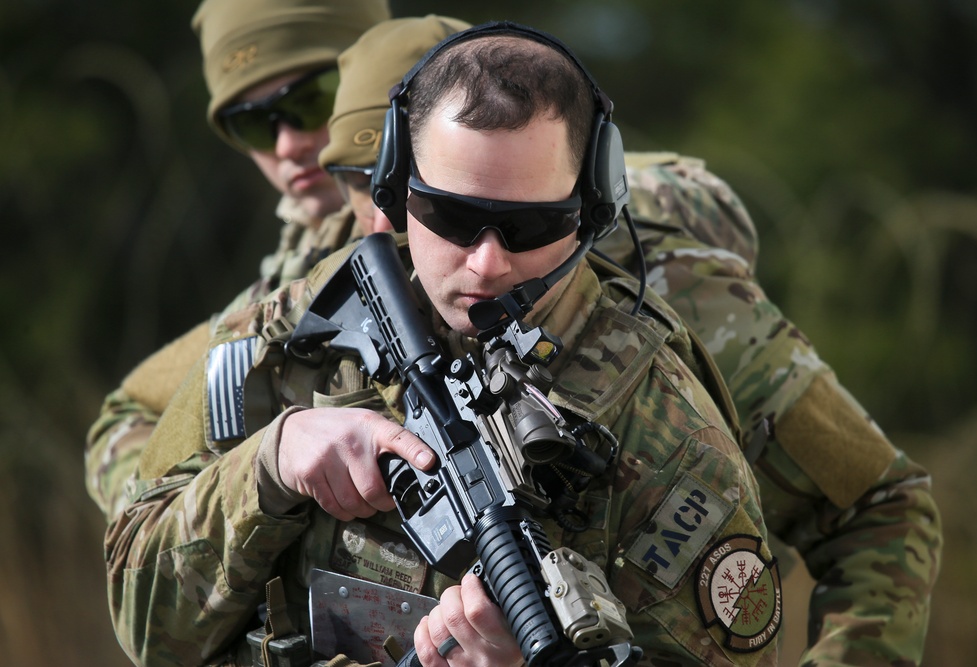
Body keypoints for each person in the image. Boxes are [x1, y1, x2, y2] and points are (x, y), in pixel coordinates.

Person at [105, 22, 779, 667]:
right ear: (394, 192)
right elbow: (146, 629)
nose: (487, 264)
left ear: (591, 213)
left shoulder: (669, 438)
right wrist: (270, 465)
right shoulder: (296, 328)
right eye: (452, 216)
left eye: (532, 225)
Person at [83, 0, 390, 520]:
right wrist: (185, 504)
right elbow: (122, 418)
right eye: (250, 123)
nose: (288, 144)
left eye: (313, 100)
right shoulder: (295, 268)